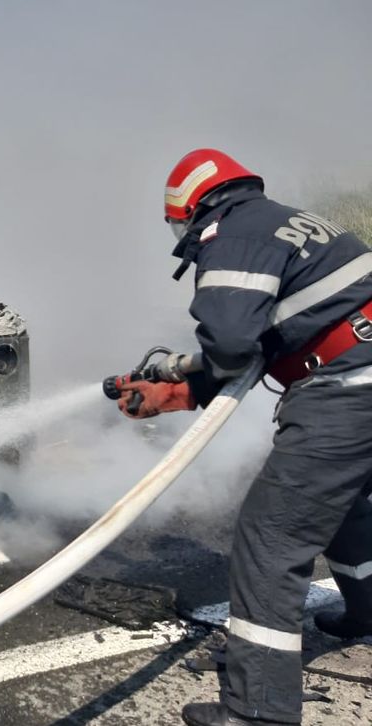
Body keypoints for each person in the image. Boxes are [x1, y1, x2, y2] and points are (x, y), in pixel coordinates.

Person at [116, 148, 372, 726]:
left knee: (270, 539)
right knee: (345, 504)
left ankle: (259, 711)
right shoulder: (287, 222)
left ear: (194, 204)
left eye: (176, 222)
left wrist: (187, 368)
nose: (179, 233)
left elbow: (233, 345)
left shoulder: (231, 235)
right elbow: (269, 341)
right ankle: (366, 613)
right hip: (361, 372)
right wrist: (179, 388)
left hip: (349, 391)